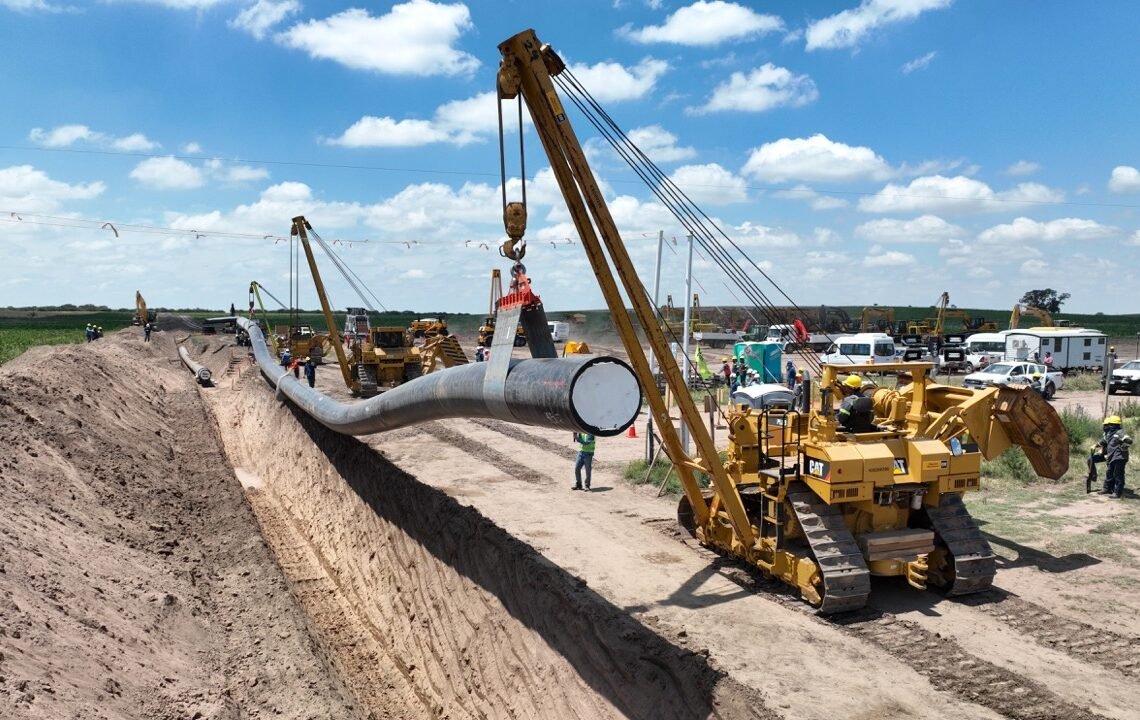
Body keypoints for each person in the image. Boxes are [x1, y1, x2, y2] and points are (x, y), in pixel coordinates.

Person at [1095, 415, 1132, 498]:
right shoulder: (1111, 433)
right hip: (1112, 457)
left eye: (1111, 424)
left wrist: (1123, 447)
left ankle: (1117, 492)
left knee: (1118, 475)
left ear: (1116, 425)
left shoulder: (1120, 432)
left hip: (1120, 457)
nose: (1109, 426)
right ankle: (1106, 488)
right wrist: (1096, 445)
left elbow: (1129, 440)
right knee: (1109, 473)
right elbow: (1104, 441)